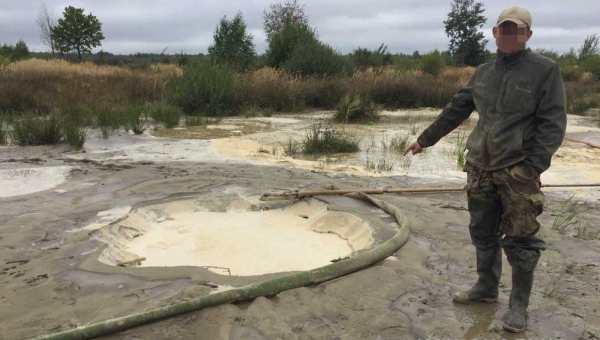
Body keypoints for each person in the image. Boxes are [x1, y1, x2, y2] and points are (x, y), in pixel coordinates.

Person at [403, 5, 567, 333]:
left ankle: (518, 306)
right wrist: (424, 140)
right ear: (495, 33)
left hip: (517, 172)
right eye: (504, 29)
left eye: (516, 30)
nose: (509, 35)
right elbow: (456, 110)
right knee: (482, 233)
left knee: (521, 241)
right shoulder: (482, 72)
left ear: (527, 35)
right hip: (478, 168)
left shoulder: (544, 70)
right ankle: (486, 288)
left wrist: (532, 167)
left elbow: (553, 123)